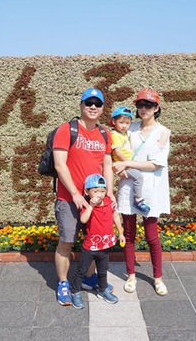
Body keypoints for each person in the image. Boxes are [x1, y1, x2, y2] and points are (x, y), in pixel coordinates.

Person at [53, 88, 116, 306]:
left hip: (95, 201)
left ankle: (89, 278)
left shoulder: (104, 134)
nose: (93, 107)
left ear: (102, 108)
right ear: (81, 105)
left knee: (94, 242)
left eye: (97, 104)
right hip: (69, 200)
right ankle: (63, 283)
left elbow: (107, 165)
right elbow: (60, 165)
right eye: (88, 103)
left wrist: (109, 193)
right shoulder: (66, 130)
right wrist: (75, 194)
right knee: (66, 242)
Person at [113, 88, 170, 296]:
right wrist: (118, 167)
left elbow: (156, 164)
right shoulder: (130, 128)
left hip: (150, 189)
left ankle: (158, 278)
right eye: (140, 105)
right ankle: (131, 275)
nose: (143, 109)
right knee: (129, 234)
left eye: (148, 105)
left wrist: (127, 163)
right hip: (129, 186)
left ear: (156, 108)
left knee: (151, 235)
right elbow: (116, 149)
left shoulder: (163, 132)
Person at [70, 174, 125, 309]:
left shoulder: (109, 201)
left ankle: (102, 290)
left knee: (103, 270)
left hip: (105, 245)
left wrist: (121, 233)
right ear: (87, 192)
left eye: (102, 190)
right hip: (91, 247)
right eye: (95, 191)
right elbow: (83, 220)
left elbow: (115, 216)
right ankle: (75, 291)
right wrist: (91, 206)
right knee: (82, 270)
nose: (99, 194)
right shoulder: (87, 204)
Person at [110, 106, 151, 215]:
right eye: (121, 122)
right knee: (138, 176)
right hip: (123, 164)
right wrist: (128, 163)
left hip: (126, 163)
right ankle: (138, 199)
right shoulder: (115, 135)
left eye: (127, 123)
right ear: (113, 121)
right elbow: (117, 152)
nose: (124, 126)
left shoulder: (123, 134)